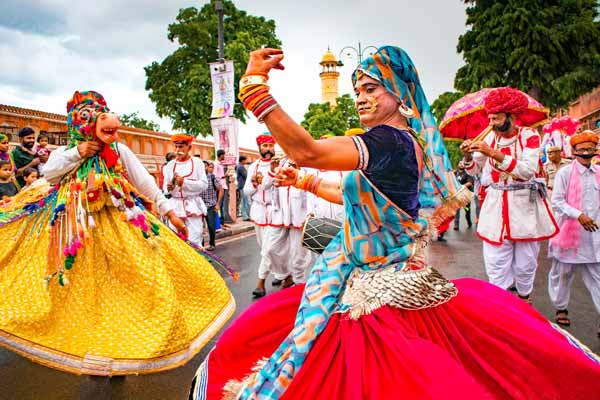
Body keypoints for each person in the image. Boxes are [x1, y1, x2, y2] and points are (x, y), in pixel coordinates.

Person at [190, 47, 600, 400]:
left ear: (399, 92)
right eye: (357, 92)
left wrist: (254, 89)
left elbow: (308, 150)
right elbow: (357, 198)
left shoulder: (389, 141)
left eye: (371, 89)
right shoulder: (404, 141)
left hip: (378, 291)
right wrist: (304, 182)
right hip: (376, 275)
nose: (360, 100)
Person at [0, 91, 234, 376]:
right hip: (78, 232)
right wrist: (79, 153)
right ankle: (91, 346)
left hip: (119, 226)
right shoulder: (68, 151)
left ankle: (130, 345)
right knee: (82, 295)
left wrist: (169, 210)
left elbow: (143, 181)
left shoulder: (119, 151)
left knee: (140, 281)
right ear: (82, 124)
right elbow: (50, 174)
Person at [460, 87, 558, 302]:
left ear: (511, 116)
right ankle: (503, 308)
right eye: (490, 118)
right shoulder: (488, 139)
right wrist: (468, 156)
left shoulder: (529, 136)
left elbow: (527, 171)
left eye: (496, 118)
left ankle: (524, 299)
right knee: (495, 265)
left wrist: (493, 153)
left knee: (525, 266)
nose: (491, 123)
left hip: (524, 208)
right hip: (495, 209)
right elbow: (474, 170)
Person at [548, 130, 600, 336]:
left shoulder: (598, 172)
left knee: (598, 279)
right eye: (582, 149)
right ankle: (561, 307)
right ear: (574, 151)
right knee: (562, 274)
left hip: (594, 238)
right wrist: (579, 215)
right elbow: (558, 202)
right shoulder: (565, 173)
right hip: (569, 235)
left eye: (590, 149)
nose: (586, 153)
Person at [243, 133, 288, 297]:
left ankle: (260, 282)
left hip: (275, 210)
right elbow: (247, 191)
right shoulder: (253, 167)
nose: (268, 149)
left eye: (270, 146)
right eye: (265, 146)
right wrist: (255, 184)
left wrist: (269, 174)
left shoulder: (281, 164)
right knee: (265, 248)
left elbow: (272, 187)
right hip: (258, 211)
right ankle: (283, 274)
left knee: (269, 249)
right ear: (259, 148)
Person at [163, 134, 208, 248]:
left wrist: (185, 183)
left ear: (189, 148)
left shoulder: (197, 163)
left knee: (194, 241)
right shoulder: (169, 165)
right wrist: (168, 188)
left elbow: (204, 185)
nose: (178, 150)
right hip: (175, 207)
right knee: (175, 242)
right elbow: (165, 187)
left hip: (192, 206)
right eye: (176, 147)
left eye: (181, 147)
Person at [201, 160, 224, 251]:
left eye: (206, 166)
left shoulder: (212, 177)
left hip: (210, 205)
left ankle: (212, 243)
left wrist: (218, 204)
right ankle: (201, 245)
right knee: (199, 227)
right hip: (199, 206)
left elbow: (221, 190)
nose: (204, 168)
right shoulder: (196, 179)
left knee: (211, 225)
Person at [454, 160, 474, 230]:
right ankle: (456, 225)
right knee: (457, 209)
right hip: (458, 194)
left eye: (463, 163)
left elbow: (470, 183)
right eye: (460, 163)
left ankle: (469, 222)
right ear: (458, 164)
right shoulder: (455, 172)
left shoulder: (468, 172)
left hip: (466, 194)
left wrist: (462, 186)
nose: (461, 164)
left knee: (467, 211)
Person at [237, 155, 250, 220]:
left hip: (242, 186)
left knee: (245, 201)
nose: (246, 161)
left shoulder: (240, 166)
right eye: (245, 160)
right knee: (244, 201)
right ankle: (245, 216)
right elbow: (246, 176)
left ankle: (247, 215)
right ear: (242, 160)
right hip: (242, 186)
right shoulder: (241, 167)